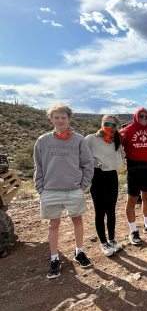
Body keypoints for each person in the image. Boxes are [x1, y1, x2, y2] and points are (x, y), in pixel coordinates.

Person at [34, 104, 94, 279]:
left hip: (74, 189)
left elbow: (88, 165)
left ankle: (79, 251)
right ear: (51, 119)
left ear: (69, 119)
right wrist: (40, 189)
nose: (60, 120)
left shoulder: (79, 140)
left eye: (64, 118)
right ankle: (54, 258)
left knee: (77, 220)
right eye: (57, 117)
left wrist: (82, 187)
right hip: (50, 190)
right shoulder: (43, 140)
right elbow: (38, 166)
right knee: (53, 224)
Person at [85, 115, 124, 256]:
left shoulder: (116, 140)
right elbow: (82, 156)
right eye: (107, 124)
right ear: (102, 124)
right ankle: (103, 243)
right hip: (97, 176)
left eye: (113, 125)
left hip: (112, 176)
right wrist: (94, 163)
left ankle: (112, 240)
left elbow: (120, 156)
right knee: (100, 212)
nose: (110, 127)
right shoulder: (91, 139)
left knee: (111, 210)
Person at [120, 107, 147, 245]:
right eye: (141, 116)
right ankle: (133, 231)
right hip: (134, 167)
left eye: (146, 116)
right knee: (132, 200)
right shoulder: (126, 131)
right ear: (136, 116)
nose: (144, 118)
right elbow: (115, 142)